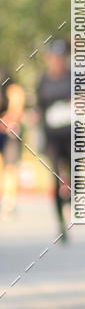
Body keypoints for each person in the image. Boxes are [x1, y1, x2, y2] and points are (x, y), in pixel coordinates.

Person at [36, 40, 71, 241]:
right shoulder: (43, 80)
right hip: (52, 137)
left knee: (75, 175)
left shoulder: (73, 77)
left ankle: (71, 199)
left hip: (72, 135)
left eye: (60, 57)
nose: (57, 61)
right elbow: (38, 106)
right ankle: (60, 222)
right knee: (56, 176)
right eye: (54, 57)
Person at [0, 68, 25, 218]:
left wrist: (8, 121)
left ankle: (9, 201)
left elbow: (17, 107)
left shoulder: (12, 87)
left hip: (10, 131)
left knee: (10, 167)